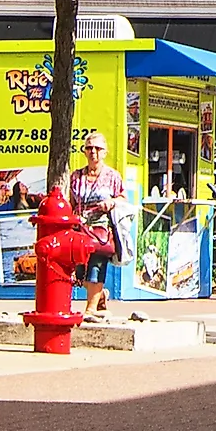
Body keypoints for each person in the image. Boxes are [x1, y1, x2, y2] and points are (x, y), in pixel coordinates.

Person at [68, 130, 129, 318]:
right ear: (85, 152)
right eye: (89, 148)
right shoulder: (76, 176)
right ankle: (100, 294)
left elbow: (123, 198)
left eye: (98, 148)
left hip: (100, 229)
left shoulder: (112, 176)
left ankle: (91, 309)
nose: (93, 152)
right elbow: (70, 201)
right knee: (78, 272)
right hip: (80, 227)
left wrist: (112, 202)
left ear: (104, 152)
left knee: (96, 265)